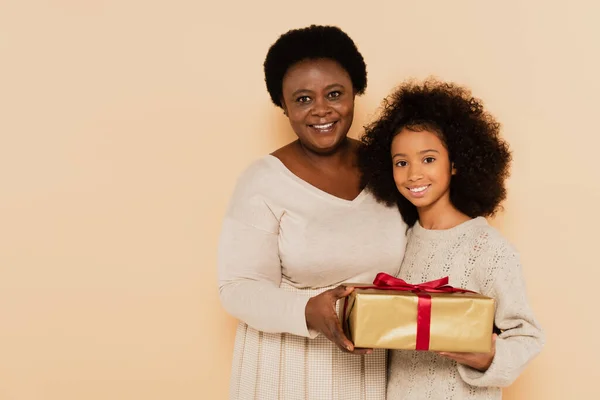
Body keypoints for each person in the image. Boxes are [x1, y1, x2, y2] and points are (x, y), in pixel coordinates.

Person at [217, 25, 407, 400]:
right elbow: (236, 290)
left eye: (334, 94)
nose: (321, 110)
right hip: (285, 372)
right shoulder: (262, 182)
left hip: (372, 370)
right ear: (283, 106)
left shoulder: (391, 168)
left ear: (356, 92)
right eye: (303, 99)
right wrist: (309, 310)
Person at [358, 79, 544, 399]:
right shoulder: (399, 242)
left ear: (455, 163)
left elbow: (527, 336)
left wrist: (488, 357)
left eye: (428, 159)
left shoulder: (489, 249)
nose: (414, 173)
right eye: (401, 162)